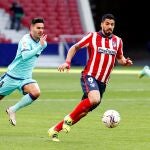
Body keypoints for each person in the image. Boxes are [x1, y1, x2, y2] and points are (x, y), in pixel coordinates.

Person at [48, 13, 133, 142]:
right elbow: (74, 47)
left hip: (103, 83)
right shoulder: (92, 37)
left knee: (83, 112)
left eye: (112, 24)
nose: (110, 26)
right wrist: (67, 62)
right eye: (107, 24)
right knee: (94, 99)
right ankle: (68, 119)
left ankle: (54, 130)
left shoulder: (118, 41)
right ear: (102, 24)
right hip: (90, 75)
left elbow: (120, 58)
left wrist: (125, 62)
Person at [0, 18, 47, 126]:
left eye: (42, 28)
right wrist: (40, 46)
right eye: (38, 28)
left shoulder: (42, 43)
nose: (41, 30)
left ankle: (12, 109)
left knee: (36, 92)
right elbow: (25, 56)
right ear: (31, 28)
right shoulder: (25, 40)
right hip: (11, 77)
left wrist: (41, 45)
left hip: (25, 78)